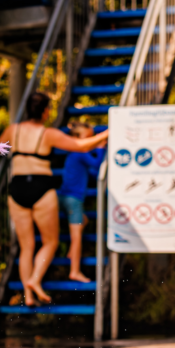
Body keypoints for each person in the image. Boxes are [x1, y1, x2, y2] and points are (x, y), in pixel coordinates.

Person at [0, 93, 109, 306]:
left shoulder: (13, 130)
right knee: (50, 242)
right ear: (46, 111)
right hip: (41, 187)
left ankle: (28, 296)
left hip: (17, 187)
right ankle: (35, 280)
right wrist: (107, 134)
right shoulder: (48, 134)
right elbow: (82, 146)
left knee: (27, 246)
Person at [59, 121, 107, 283]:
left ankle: (72, 252)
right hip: (73, 199)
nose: (91, 141)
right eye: (89, 138)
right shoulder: (80, 151)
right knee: (76, 236)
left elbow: (90, 172)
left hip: (65, 197)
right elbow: (96, 164)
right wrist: (100, 147)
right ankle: (75, 271)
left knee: (83, 220)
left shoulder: (73, 153)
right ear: (78, 139)